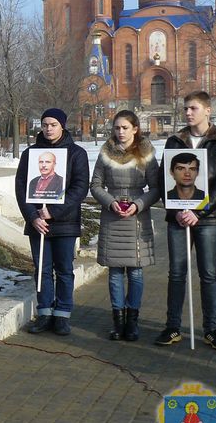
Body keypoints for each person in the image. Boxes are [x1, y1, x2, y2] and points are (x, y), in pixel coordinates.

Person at [155, 91, 216, 350]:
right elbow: (163, 178)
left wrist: (198, 211)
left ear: (208, 111)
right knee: (177, 273)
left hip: (208, 220)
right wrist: (176, 209)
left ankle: (211, 329)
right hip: (178, 218)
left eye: (194, 108)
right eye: (186, 109)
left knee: (209, 274)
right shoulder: (175, 141)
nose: (188, 113)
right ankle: (172, 326)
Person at [15, 108, 89, 336]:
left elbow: (79, 187)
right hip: (38, 223)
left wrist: (54, 211)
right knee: (42, 270)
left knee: (65, 270)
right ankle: (45, 312)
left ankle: (62, 315)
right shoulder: (31, 154)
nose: (48, 128)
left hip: (64, 222)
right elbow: (21, 186)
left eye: (53, 124)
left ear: (63, 126)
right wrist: (33, 216)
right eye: (45, 124)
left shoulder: (76, 153)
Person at [90, 110, 161, 341]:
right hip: (113, 216)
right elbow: (95, 185)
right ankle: (118, 323)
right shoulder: (105, 153)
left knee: (136, 272)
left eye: (125, 128)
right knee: (114, 272)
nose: (120, 132)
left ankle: (132, 322)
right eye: (117, 128)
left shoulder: (147, 153)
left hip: (137, 217)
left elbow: (156, 188)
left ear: (135, 129)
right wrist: (111, 203)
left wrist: (138, 204)